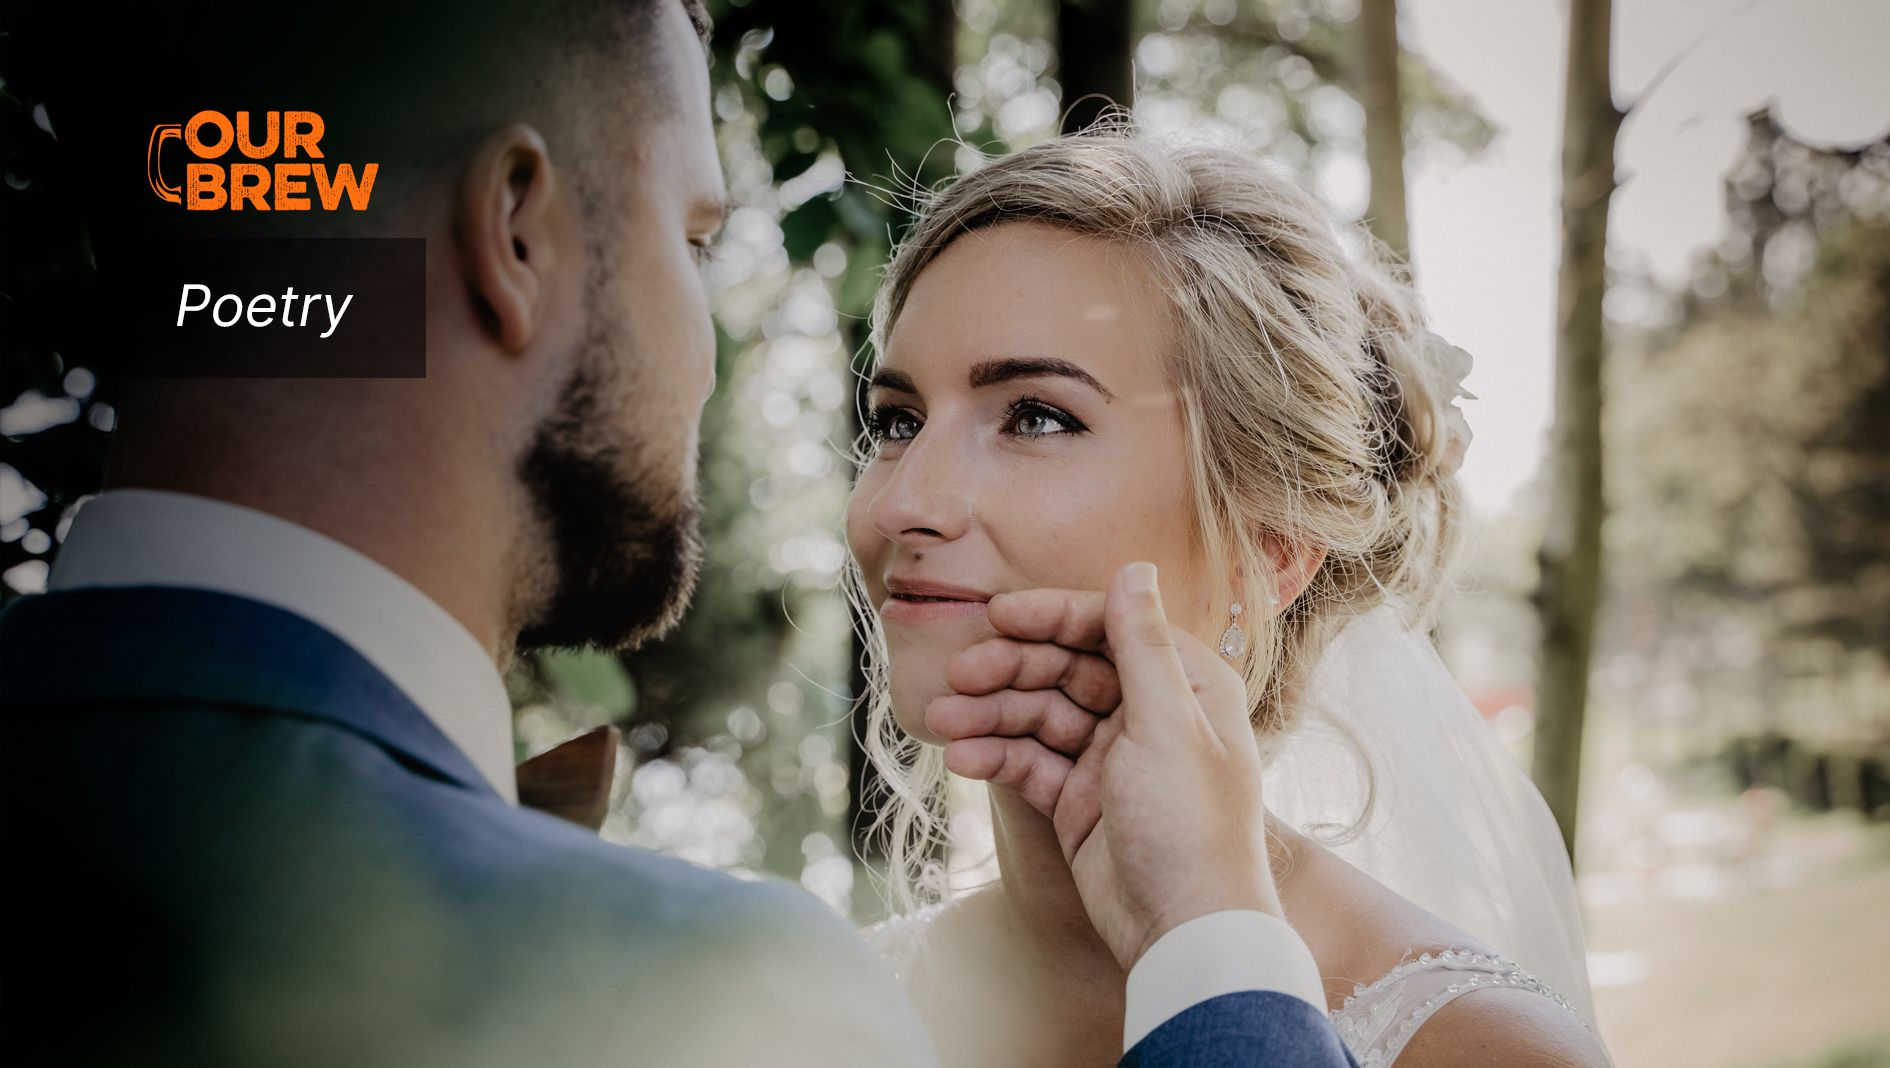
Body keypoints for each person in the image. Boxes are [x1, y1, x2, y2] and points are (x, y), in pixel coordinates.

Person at [0, 3, 1360, 1065]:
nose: (897, 506)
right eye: (695, 236)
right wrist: (1216, 952)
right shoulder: (705, 1002)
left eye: (1037, 418)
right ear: (513, 233)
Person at [843, 130, 1616, 1068]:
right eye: (897, 421)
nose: (901, 503)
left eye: (1036, 416)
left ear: (1271, 550)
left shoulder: (1478, 1049)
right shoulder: (822, 1009)